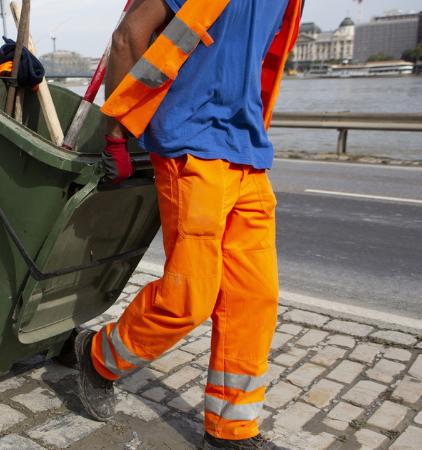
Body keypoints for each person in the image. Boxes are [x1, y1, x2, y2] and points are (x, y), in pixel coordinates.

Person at [74, 0, 303, 448]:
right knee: (188, 298)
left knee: (253, 298)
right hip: (191, 148)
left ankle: (231, 431)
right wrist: (118, 131)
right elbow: (127, 37)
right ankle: (98, 356)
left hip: (249, 152)